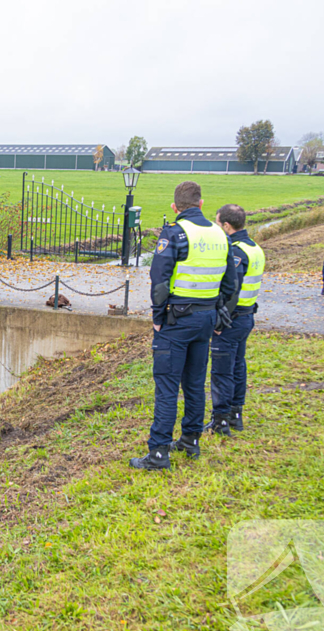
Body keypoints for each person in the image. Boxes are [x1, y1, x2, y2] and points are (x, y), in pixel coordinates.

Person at [130, 181, 237, 471]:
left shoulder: (174, 233)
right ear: (201, 204)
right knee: (194, 383)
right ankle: (191, 439)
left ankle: (159, 453)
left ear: (175, 207)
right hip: (206, 319)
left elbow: (160, 280)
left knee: (166, 386)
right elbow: (231, 283)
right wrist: (221, 317)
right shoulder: (220, 234)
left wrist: (156, 316)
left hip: (177, 319)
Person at [208, 204, 264, 436]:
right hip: (247, 316)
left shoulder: (236, 251)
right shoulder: (255, 248)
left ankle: (220, 421)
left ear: (227, 226)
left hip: (233, 320)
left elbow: (232, 290)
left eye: (219, 223)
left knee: (222, 371)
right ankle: (235, 414)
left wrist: (220, 323)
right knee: (238, 365)